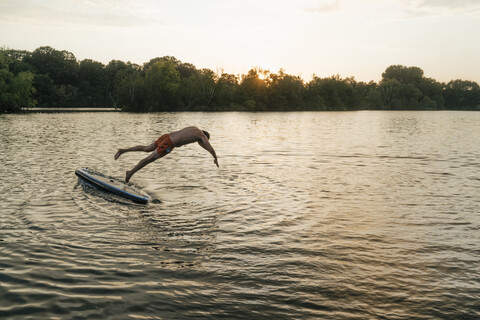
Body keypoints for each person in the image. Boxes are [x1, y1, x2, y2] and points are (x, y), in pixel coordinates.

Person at [115, 126, 219, 183]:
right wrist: (215, 158)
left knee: (146, 148)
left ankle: (122, 150)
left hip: (166, 136)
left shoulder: (195, 128)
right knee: (149, 159)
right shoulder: (201, 136)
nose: (200, 143)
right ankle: (130, 173)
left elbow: (203, 146)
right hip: (169, 144)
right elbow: (209, 147)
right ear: (204, 136)